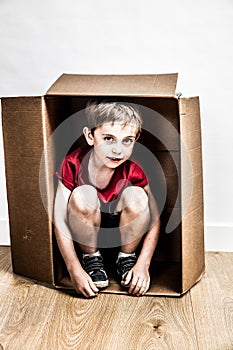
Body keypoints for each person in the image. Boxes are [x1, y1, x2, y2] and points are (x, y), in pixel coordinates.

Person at [54, 99, 160, 298]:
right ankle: (91, 259)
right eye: (109, 138)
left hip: (123, 236)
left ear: (136, 139)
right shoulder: (73, 164)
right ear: (90, 136)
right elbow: (59, 219)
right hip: (86, 237)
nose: (118, 150)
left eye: (127, 140)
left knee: (137, 195)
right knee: (83, 194)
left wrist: (143, 264)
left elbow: (154, 220)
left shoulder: (134, 170)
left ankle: (125, 259)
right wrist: (73, 268)